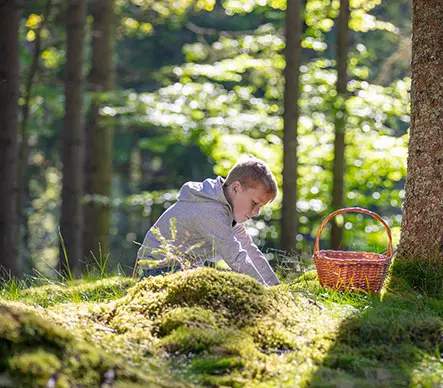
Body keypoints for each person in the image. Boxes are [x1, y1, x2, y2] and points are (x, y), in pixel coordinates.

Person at [135, 155, 279, 286]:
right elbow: (235, 256)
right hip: (158, 271)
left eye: (260, 207)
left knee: (229, 280)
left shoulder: (227, 206)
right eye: (254, 203)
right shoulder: (211, 211)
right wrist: (263, 290)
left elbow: (248, 247)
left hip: (185, 268)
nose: (256, 212)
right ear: (236, 188)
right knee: (229, 287)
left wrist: (274, 285)